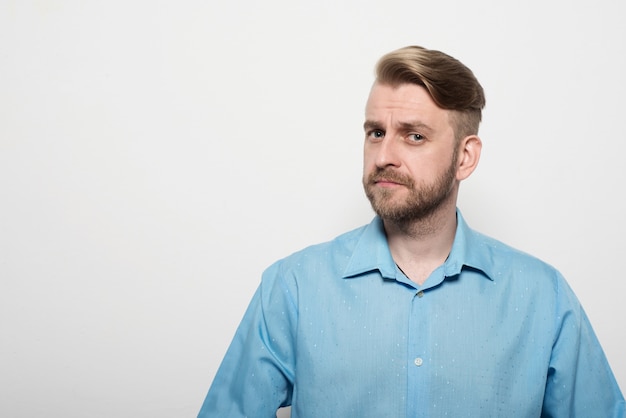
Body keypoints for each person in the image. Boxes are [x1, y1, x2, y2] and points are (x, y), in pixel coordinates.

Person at [198, 46, 625, 417]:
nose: (384, 155)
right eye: (376, 133)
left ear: (465, 157)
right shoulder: (292, 287)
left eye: (414, 136)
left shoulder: (542, 296)